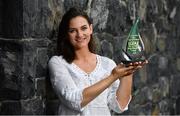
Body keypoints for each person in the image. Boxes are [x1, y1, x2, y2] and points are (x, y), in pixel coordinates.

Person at [48, 7, 148, 115]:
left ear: (91, 29)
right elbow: (74, 101)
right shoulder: (58, 63)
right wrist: (113, 77)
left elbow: (120, 105)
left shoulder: (108, 64)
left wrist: (128, 71)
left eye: (84, 28)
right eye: (73, 31)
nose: (80, 34)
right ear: (67, 34)